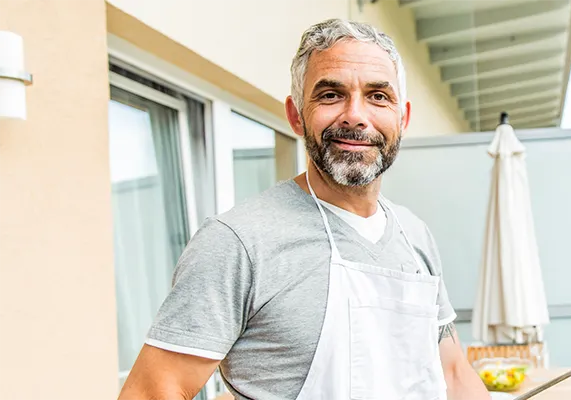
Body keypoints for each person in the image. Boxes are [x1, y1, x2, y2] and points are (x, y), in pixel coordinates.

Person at [118, 18, 491, 400]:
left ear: (403, 118)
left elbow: (452, 372)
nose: (355, 115)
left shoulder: (414, 235)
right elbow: (151, 392)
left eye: (378, 96)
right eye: (331, 95)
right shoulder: (240, 242)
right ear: (296, 115)